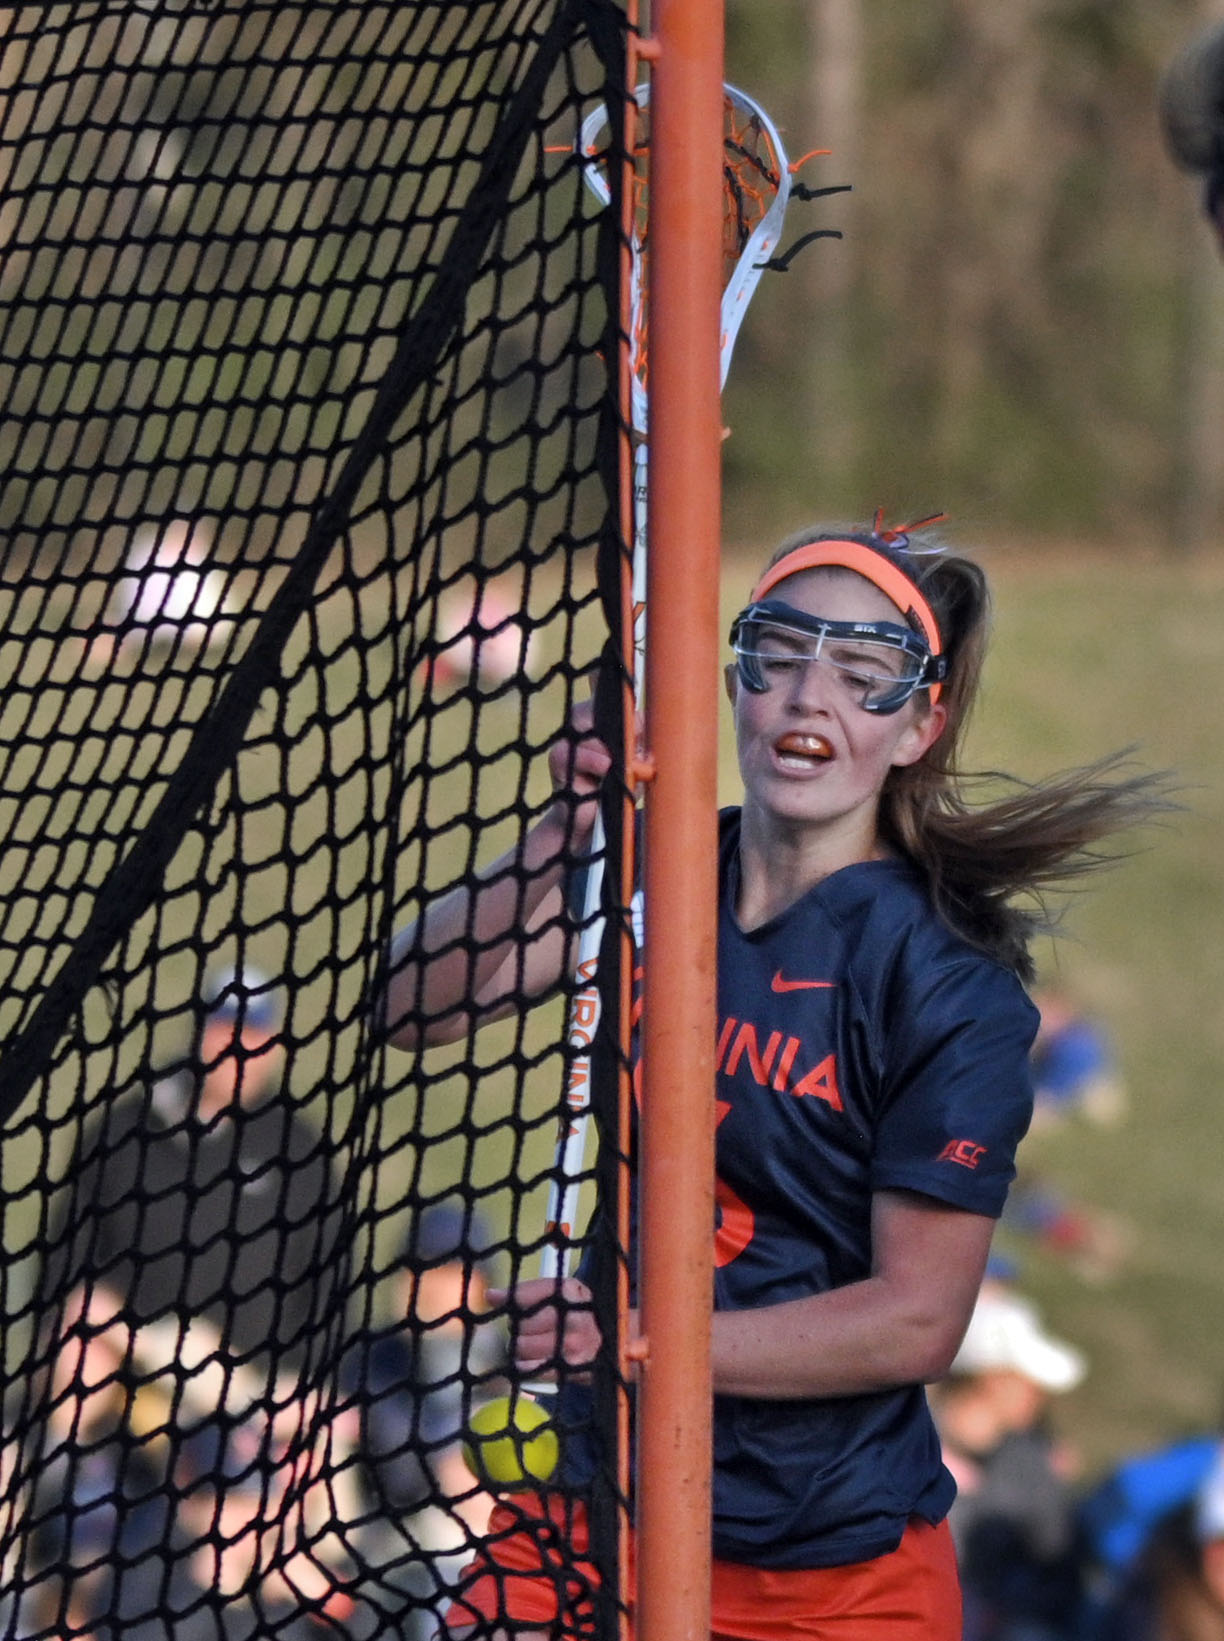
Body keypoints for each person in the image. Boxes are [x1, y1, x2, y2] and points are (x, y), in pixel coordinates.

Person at [380, 517, 1166, 1638]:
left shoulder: (945, 986)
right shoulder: (656, 880)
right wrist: (565, 832)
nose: (810, 697)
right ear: (736, 682)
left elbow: (913, 1322)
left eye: (862, 675)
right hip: (593, 1518)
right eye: (780, 655)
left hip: (827, 1573)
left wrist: (633, 1337)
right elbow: (416, 1007)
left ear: (917, 726)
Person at [44, 963, 339, 1379]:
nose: (237, 1050)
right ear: (198, 1032)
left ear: (272, 1045)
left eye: (252, 1035)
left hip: (249, 1389)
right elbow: (65, 1254)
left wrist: (302, 1383)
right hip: (131, 1365)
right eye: (224, 1030)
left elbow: (328, 1287)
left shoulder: (301, 1151)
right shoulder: (130, 1128)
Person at [931, 1287, 1088, 1641]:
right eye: (1026, 1379)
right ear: (992, 1379)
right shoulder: (904, 1446)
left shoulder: (1032, 1464)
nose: (1040, 1393)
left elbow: (1059, 1573)